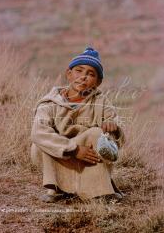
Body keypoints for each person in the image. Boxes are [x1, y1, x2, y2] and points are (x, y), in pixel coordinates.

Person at [30, 47, 125, 203]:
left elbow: (115, 123)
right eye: (79, 71)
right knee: (40, 144)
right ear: (69, 74)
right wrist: (73, 149)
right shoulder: (50, 102)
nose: (83, 77)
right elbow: (39, 132)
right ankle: (56, 188)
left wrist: (113, 126)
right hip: (60, 153)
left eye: (91, 74)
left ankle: (99, 192)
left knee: (97, 133)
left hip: (88, 156)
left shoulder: (101, 101)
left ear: (98, 82)